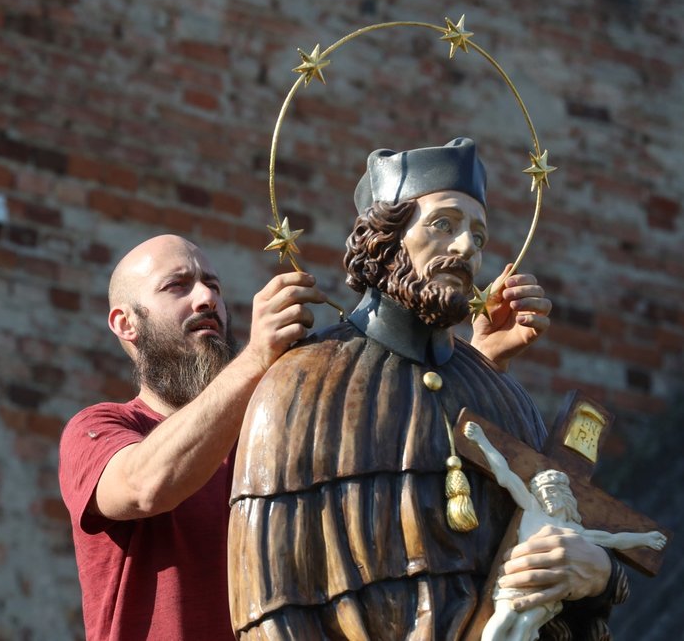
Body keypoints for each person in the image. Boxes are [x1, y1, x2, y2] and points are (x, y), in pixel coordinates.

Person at [59, 224, 549, 639]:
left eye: (213, 284)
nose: (207, 298)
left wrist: (478, 362)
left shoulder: (272, 427)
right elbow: (147, 487)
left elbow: (402, 466)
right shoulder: (100, 428)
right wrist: (255, 358)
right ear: (126, 323)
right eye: (177, 287)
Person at [228, 138, 624, 640]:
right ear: (386, 236)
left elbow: (553, 574)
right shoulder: (302, 385)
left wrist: (602, 579)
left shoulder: (507, 402)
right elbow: (270, 607)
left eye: (478, 238)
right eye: (444, 225)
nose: (466, 249)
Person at [464, 421, 667, 641]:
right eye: (542, 493)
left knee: (525, 627)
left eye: (551, 491)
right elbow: (505, 476)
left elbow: (614, 539)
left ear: (564, 495)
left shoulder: (574, 531)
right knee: (502, 621)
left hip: (546, 593)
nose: (547, 496)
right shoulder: (532, 509)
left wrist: (645, 538)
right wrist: (481, 440)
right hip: (517, 583)